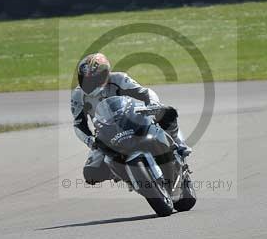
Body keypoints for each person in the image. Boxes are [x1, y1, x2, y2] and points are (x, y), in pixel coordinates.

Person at [71, 53, 191, 185]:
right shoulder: (78, 95)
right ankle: (123, 173)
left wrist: (153, 104)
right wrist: (89, 140)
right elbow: (78, 124)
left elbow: (145, 92)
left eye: (93, 79)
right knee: (91, 174)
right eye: (85, 79)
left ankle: (178, 145)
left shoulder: (119, 79)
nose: (89, 84)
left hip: (132, 119)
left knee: (167, 113)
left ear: (104, 74)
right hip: (106, 133)